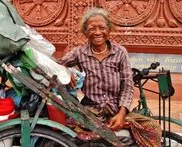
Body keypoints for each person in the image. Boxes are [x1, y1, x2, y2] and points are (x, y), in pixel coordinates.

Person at [58, 7, 162, 146]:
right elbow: (56, 65)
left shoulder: (120, 52)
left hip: (116, 110)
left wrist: (121, 114)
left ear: (109, 29)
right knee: (66, 127)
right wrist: (65, 71)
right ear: (85, 31)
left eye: (102, 27)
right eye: (91, 28)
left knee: (153, 128)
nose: (97, 32)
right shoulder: (79, 53)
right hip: (91, 112)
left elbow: (127, 85)